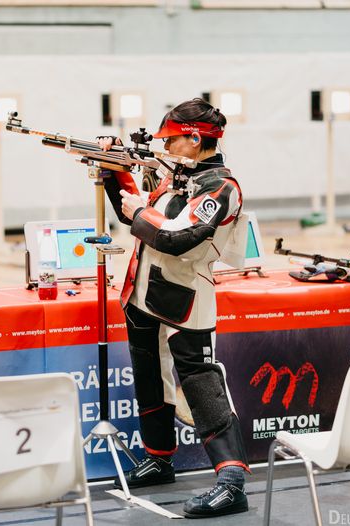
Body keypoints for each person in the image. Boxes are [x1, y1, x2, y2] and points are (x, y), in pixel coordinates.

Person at [98, 98, 250, 518]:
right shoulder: (177, 177)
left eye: (174, 140)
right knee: (150, 378)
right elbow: (136, 216)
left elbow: (176, 237)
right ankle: (159, 457)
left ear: (196, 139)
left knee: (200, 383)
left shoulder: (221, 186)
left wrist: (140, 209)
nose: (167, 147)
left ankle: (232, 478)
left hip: (186, 297)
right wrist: (114, 171)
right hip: (145, 293)